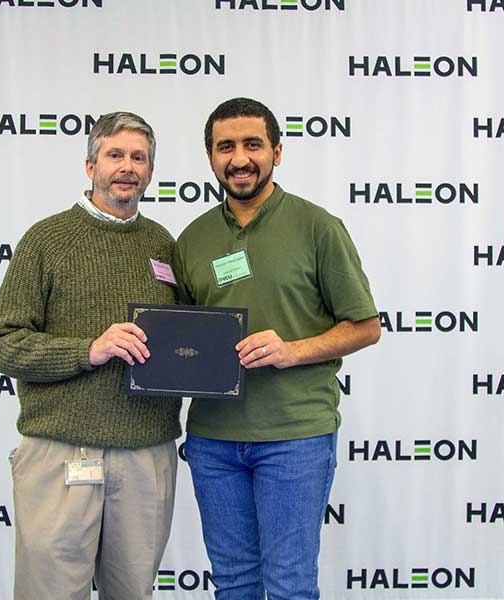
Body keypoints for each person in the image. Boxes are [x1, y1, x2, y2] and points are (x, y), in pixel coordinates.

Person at [173, 97, 381, 599]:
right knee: (234, 584)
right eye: (226, 147)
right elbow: (181, 339)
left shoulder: (318, 228)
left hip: (294, 437)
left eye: (253, 144)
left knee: (289, 585)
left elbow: (366, 326)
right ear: (210, 157)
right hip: (213, 441)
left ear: (277, 152)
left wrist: (290, 351)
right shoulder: (192, 239)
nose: (239, 158)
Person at [0, 111, 181, 600]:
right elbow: (2, 343)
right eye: (115, 155)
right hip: (62, 453)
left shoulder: (165, 246)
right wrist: (87, 351)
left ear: (151, 172)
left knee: (134, 592)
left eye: (139, 157)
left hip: (145, 453)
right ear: (90, 164)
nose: (127, 167)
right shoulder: (46, 240)